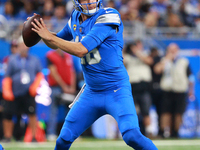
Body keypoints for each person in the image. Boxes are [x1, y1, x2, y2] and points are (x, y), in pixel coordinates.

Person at [30, 0, 158, 149]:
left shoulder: (109, 15)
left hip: (116, 90)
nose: (90, 2)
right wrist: (41, 32)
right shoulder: (75, 18)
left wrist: (50, 37)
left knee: (131, 136)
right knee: (63, 139)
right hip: (92, 92)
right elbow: (56, 42)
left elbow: (81, 49)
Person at [2, 37, 43, 142]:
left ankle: (33, 137)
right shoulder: (12, 59)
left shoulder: (35, 59)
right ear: (18, 47)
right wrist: (7, 90)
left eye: (25, 45)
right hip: (14, 91)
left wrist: (35, 86)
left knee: (32, 114)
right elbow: (7, 76)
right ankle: (7, 136)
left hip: (29, 92)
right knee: (8, 114)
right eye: (21, 45)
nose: (23, 48)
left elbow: (39, 75)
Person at [154, 43, 194, 138]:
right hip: (167, 91)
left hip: (180, 90)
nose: (172, 52)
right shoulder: (164, 60)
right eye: (170, 49)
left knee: (178, 113)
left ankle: (175, 132)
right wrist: (167, 59)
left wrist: (191, 91)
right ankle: (164, 132)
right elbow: (157, 70)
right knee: (165, 112)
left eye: (174, 49)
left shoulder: (184, 61)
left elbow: (191, 77)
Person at [123, 41, 154, 137]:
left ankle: (150, 132)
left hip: (144, 86)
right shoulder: (128, 57)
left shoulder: (144, 54)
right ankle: (131, 132)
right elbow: (121, 62)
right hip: (132, 86)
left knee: (146, 111)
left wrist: (137, 51)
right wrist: (124, 49)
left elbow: (149, 61)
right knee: (131, 111)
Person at [46, 48, 76, 141]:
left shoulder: (68, 56)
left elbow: (72, 72)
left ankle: (71, 133)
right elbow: (53, 72)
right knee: (53, 111)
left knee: (71, 111)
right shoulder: (50, 55)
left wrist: (72, 87)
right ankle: (51, 133)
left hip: (68, 87)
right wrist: (64, 87)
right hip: (56, 87)